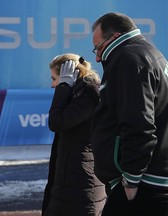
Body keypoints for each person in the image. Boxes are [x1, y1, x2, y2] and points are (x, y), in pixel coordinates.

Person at [91, 12, 168, 216]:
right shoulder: (148, 53)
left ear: (115, 37)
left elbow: (139, 122)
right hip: (161, 179)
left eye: (99, 48)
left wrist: (131, 178)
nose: (98, 57)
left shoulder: (129, 58)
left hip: (148, 183)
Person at [42, 53, 106, 216]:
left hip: (81, 184)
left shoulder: (89, 93)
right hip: (71, 182)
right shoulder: (79, 93)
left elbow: (56, 123)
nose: (52, 84)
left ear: (68, 76)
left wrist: (63, 87)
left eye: (54, 78)